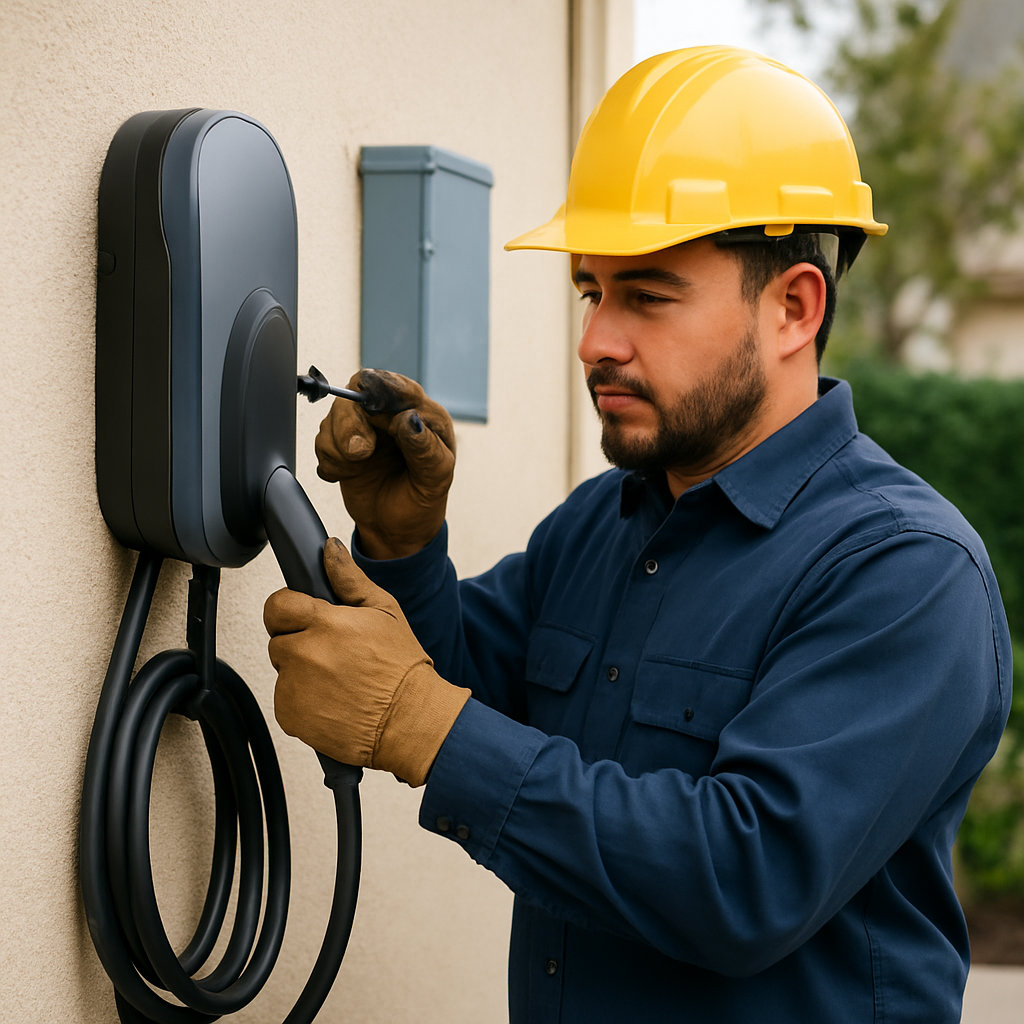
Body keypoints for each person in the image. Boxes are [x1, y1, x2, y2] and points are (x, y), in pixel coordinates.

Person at [264, 47, 1012, 1022]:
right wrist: (403, 550)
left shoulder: (904, 571)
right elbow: (447, 682)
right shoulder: (602, 524)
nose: (594, 339)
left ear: (794, 307)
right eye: (591, 292)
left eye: (646, 295)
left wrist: (418, 720)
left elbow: (743, 878)